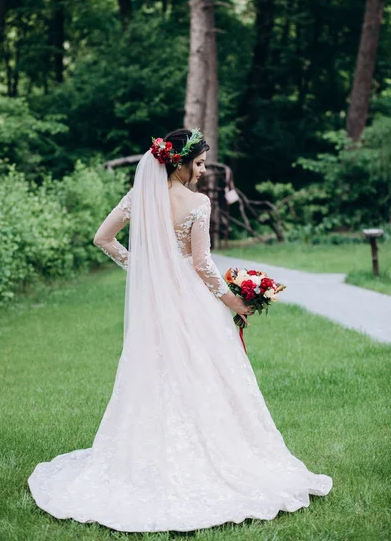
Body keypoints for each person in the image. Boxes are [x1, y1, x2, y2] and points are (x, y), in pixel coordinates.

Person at [28, 128, 332, 532]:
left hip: (156, 302)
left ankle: (144, 457)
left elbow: (103, 237)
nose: (204, 171)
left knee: (154, 372)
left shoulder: (140, 197)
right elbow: (203, 265)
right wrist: (235, 302)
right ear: (181, 162)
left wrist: (146, 268)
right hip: (191, 303)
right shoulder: (197, 203)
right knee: (204, 373)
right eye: (200, 163)